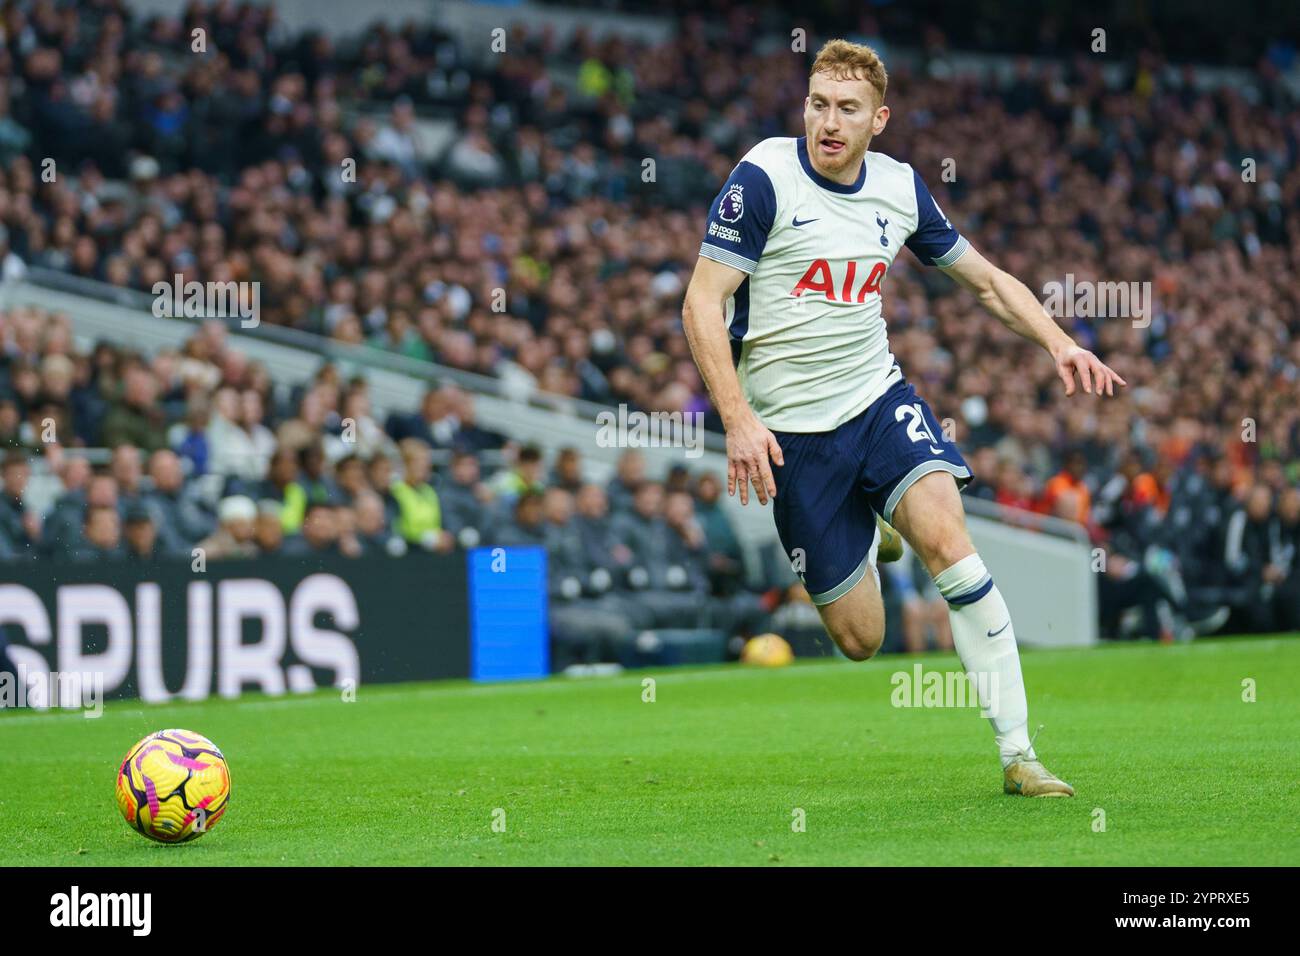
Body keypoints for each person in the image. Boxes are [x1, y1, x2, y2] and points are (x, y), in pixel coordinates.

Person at [681, 39, 1125, 797]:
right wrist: (739, 419)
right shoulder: (763, 178)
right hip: (794, 437)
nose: (829, 120)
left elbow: (983, 281)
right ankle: (875, 525)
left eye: (847, 108)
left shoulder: (899, 189)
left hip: (878, 400)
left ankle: (1019, 755)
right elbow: (700, 301)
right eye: (818, 103)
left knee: (954, 548)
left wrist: (1058, 340)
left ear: (878, 119)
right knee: (863, 640)